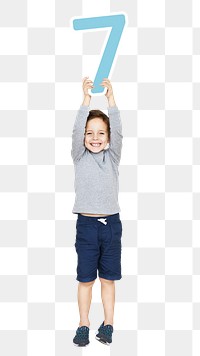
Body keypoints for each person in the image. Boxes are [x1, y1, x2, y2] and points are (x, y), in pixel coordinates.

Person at [71, 77, 123, 347]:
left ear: (109, 137)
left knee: (108, 278)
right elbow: (78, 127)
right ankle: (83, 323)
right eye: (89, 133)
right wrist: (87, 99)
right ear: (82, 137)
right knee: (86, 279)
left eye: (101, 133)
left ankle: (109, 324)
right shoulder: (79, 156)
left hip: (111, 226)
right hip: (87, 227)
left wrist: (111, 98)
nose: (94, 138)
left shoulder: (112, 157)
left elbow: (118, 129)